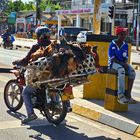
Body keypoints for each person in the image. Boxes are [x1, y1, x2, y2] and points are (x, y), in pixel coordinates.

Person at [12, 26, 52, 124]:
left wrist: (17, 62)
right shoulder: (54, 45)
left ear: (39, 36)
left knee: (25, 92)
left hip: (40, 76)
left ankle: (31, 114)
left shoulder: (36, 46)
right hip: (53, 75)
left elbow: (26, 61)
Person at [108, 27, 136, 104]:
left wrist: (125, 64)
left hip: (122, 63)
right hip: (113, 64)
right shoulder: (112, 44)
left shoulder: (125, 45)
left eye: (125, 35)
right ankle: (120, 96)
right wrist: (123, 64)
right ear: (118, 35)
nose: (124, 36)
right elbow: (112, 58)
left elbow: (125, 57)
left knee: (132, 72)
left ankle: (128, 95)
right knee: (121, 70)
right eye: (122, 35)